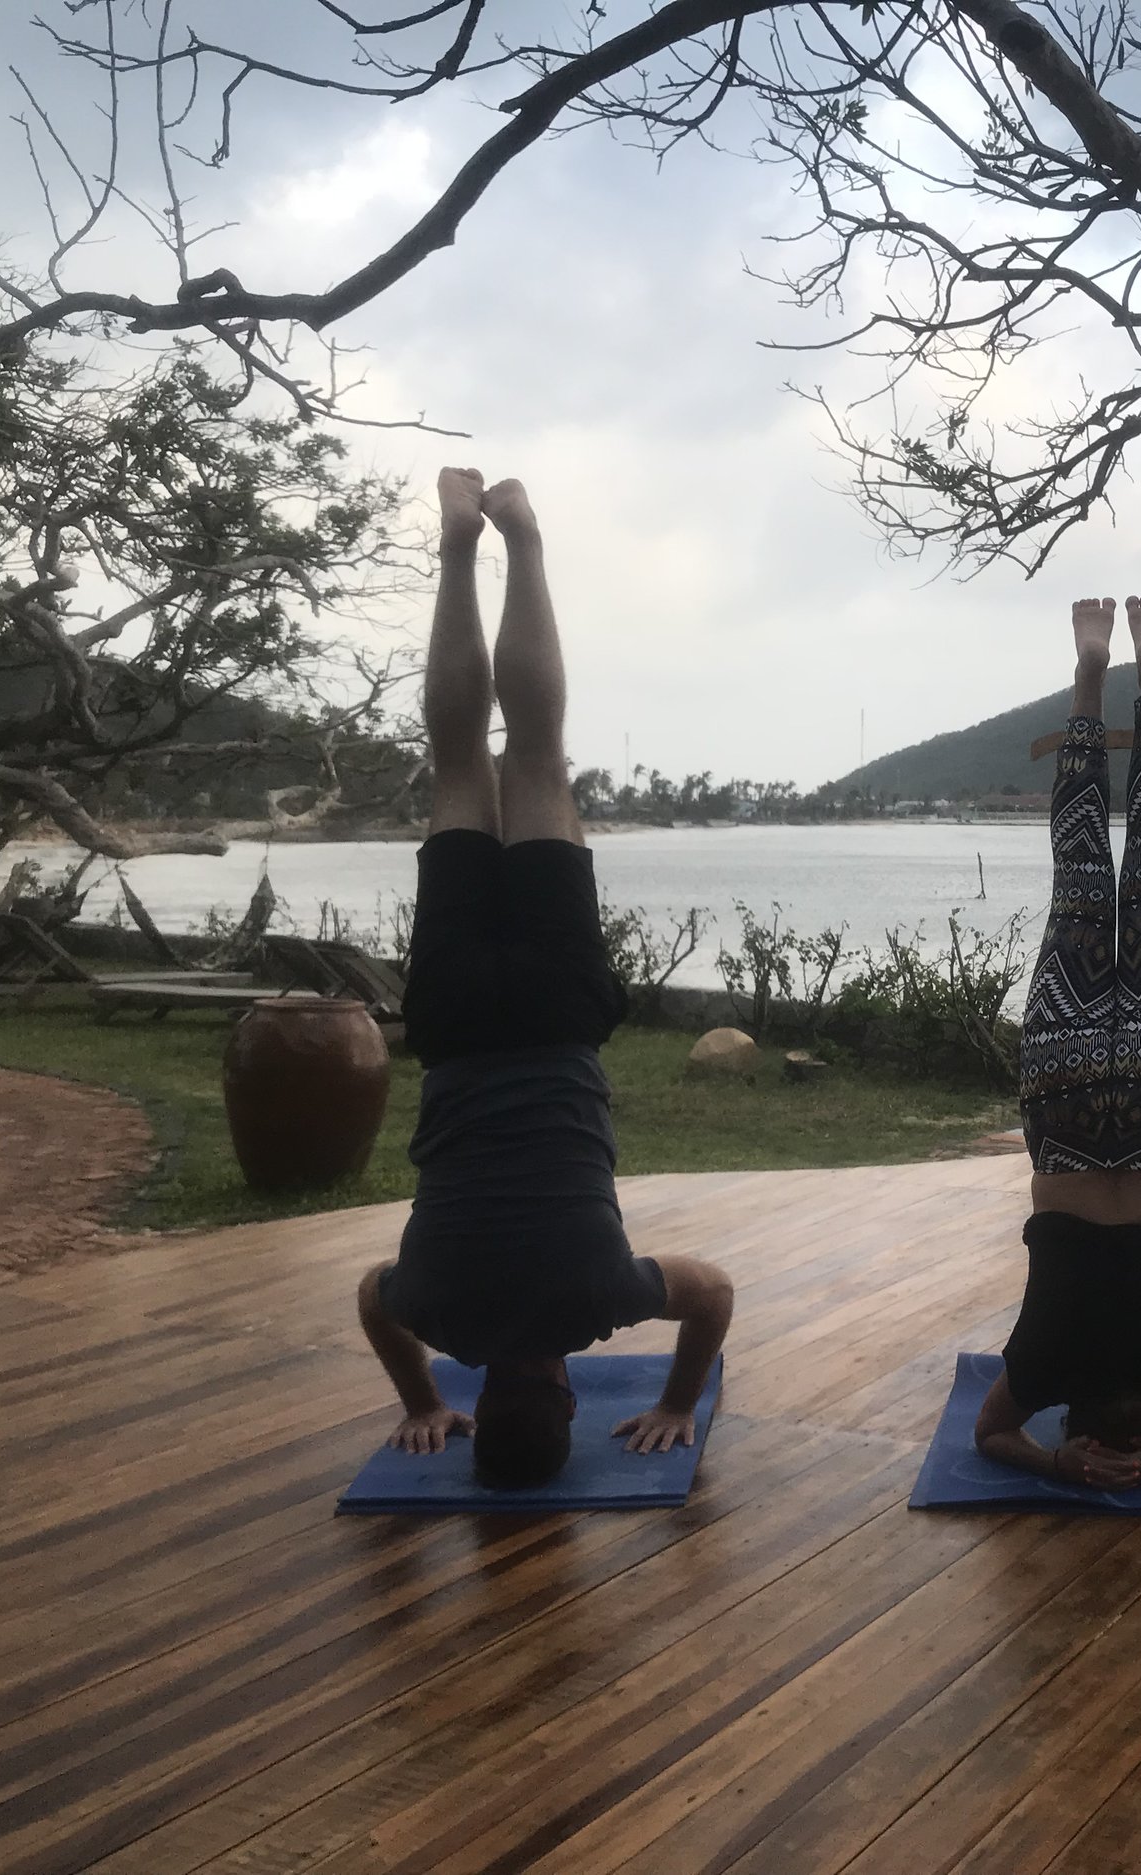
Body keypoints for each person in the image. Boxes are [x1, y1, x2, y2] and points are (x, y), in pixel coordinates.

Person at [356, 468, 733, 1490]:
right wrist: (426, 1402)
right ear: (486, 1397)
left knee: (536, 760)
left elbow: (712, 1294)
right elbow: (368, 1299)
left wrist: (673, 1403)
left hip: (561, 1022)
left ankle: (519, 539)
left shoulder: (596, 1302)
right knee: (453, 765)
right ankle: (454, 548)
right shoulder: (431, 1306)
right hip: (454, 1029)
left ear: (567, 1393)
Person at [973, 594, 1141, 1491]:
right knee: (1082, 872)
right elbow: (992, 1436)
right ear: (1075, 1420)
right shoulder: (1044, 1365)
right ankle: (1093, 673)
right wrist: (1058, 1460)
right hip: (1064, 1116)